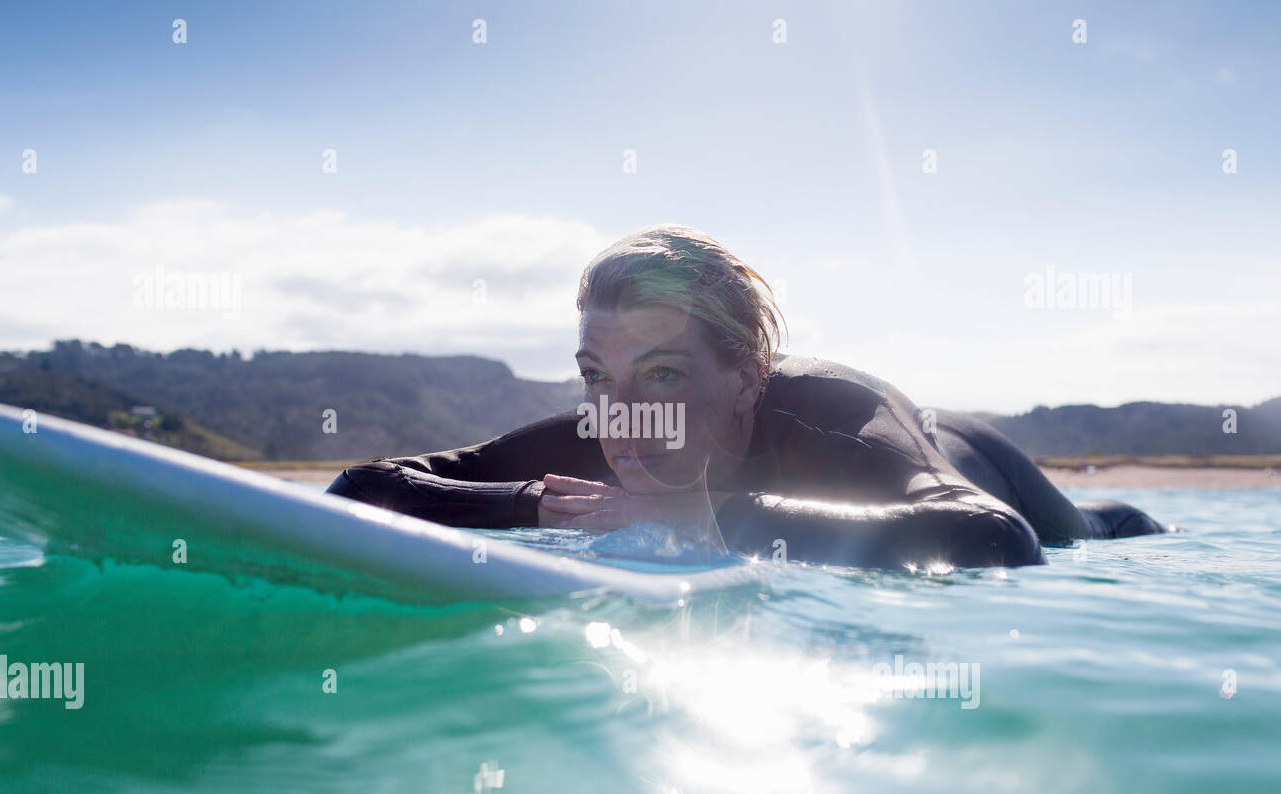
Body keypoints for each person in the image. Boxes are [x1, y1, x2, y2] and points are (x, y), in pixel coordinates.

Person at [326, 225, 1163, 569]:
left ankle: (1122, 513)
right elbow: (364, 488)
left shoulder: (831, 415)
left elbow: (997, 538)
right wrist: (531, 506)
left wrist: (695, 518)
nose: (623, 418)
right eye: (596, 376)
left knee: (1093, 536)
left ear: (746, 378)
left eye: (664, 375)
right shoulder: (614, 425)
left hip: (974, 466)